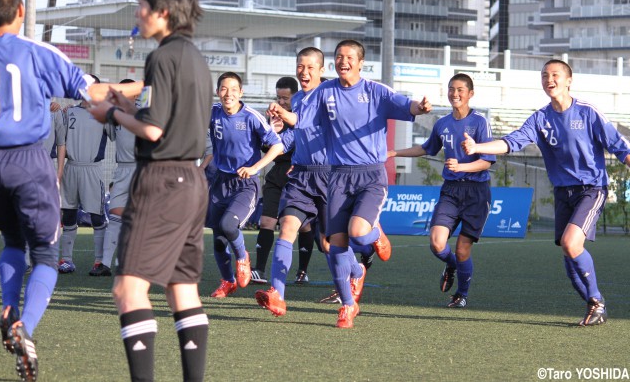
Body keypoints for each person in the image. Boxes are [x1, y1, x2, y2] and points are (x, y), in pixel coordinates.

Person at [88, 0, 213, 381]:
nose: (137, 13)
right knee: (182, 290)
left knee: (128, 289)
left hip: (161, 182)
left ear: (162, 11)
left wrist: (113, 112)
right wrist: (130, 105)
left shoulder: (161, 56)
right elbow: (173, 122)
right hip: (193, 182)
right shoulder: (195, 56)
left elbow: (156, 131)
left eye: (141, 5)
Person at [269, 40, 431, 328]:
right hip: (338, 177)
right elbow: (302, 121)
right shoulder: (324, 92)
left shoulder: (375, 91)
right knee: (335, 244)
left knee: (357, 233)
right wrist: (284, 115)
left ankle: (375, 235)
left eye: (349, 57)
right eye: (339, 57)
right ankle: (347, 305)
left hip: (370, 175)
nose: (343, 61)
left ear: (360, 63)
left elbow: (408, 106)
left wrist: (420, 107)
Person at [462, 59, 630, 326]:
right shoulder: (540, 118)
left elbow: (621, 147)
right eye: (544, 75)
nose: (549, 79)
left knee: (571, 244)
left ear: (568, 80)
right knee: (568, 257)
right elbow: (512, 141)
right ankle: (594, 307)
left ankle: (597, 301)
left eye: (555, 75)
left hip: (592, 188)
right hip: (563, 193)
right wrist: (477, 147)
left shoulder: (587, 113)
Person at [0, 0, 100, 381]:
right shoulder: (36, 51)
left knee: (12, 241)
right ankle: (24, 327)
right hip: (28, 160)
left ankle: (7, 307)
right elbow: (89, 90)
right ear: (21, 11)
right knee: (47, 255)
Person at [388, 73, 495, 308]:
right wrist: (394, 152)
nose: (454, 94)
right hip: (451, 191)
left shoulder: (480, 122)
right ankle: (452, 264)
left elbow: (487, 161)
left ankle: (461, 294)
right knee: (437, 243)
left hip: (476, 192)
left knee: (463, 249)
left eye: (460, 90)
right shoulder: (442, 123)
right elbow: (427, 148)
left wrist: (462, 165)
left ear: (470, 94)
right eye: (451, 89)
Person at [207, 72, 284, 298]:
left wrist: (254, 168)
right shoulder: (212, 112)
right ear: (217, 91)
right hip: (220, 182)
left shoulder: (251, 116)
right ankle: (227, 281)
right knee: (219, 240)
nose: (228, 94)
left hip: (244, 184)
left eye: (233, 89)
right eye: (223, 88)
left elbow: (277, 146)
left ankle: (243, 258)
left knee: (229, 226)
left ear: (241, 92)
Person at [250, 76, 316, 285]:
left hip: (299, 176)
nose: (282, 102)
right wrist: (272, 132)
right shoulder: (273, 117)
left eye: (285, 98)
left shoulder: (303, 116)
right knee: (266, 221)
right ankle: (260, 270)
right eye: (279, 98)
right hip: (277, 174)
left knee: (303, 226)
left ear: (295, 96)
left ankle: (302, 272)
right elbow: (266, 148)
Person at [58, 75, 112, 275]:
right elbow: (60, 142)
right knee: (69, 214)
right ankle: (66, 260)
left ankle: (99, 261)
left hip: (92, 169)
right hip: (71, 168)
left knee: (97, 216)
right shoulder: (68, 112)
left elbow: (119, 134)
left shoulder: (104, 114)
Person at [100, 79, 138, 276]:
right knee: (115, 218)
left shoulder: (146, 113)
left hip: (143, 170)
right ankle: (105, 264)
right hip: (122, 169)